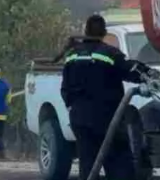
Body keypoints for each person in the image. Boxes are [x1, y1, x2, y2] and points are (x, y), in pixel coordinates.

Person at [61, 14, 153, 180]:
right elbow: (130, 70)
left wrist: (73, 107)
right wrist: (149, 73)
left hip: (80, 119)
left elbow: (65, 88)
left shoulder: (72, 55)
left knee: (87, 165)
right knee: (119, 165)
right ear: (104, 32)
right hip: (106, 120)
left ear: (86, 31)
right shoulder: (110, 54)